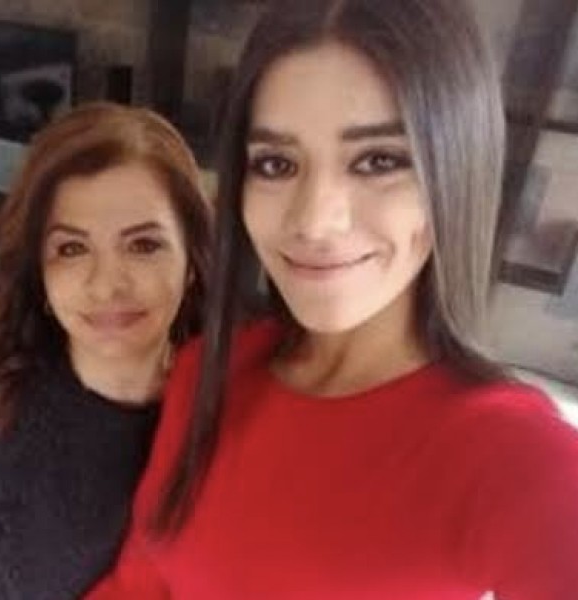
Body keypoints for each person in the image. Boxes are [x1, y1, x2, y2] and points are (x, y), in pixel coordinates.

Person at [85, 1, 578, 598]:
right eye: (276, 164)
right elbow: (138, 585)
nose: (315, 221)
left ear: (455, 172)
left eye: (378, 161)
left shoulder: (514, 455)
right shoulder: (207, 372)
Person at [0, 102, 212, 600]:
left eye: (143, 245)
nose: (107, 285)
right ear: (39, 273)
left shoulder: (230, 409)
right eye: (72, 248)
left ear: (191, 260)